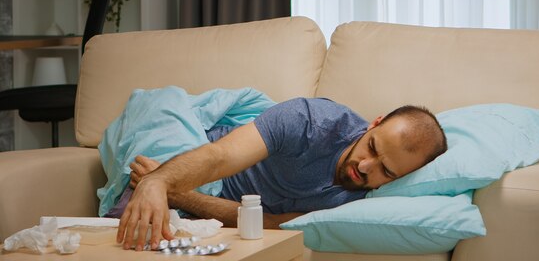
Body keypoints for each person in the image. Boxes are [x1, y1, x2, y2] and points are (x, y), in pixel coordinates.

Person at [116, 97, 447, 251]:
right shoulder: (310, 120)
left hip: (203, 203)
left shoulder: (361, 202)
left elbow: (271, 224)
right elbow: (220, 156)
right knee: (130, 220)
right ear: (373, 123)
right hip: (203, 164)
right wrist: (159, 180)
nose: (364, 167)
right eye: (372, 147)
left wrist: (179, 195)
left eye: (385, 170)